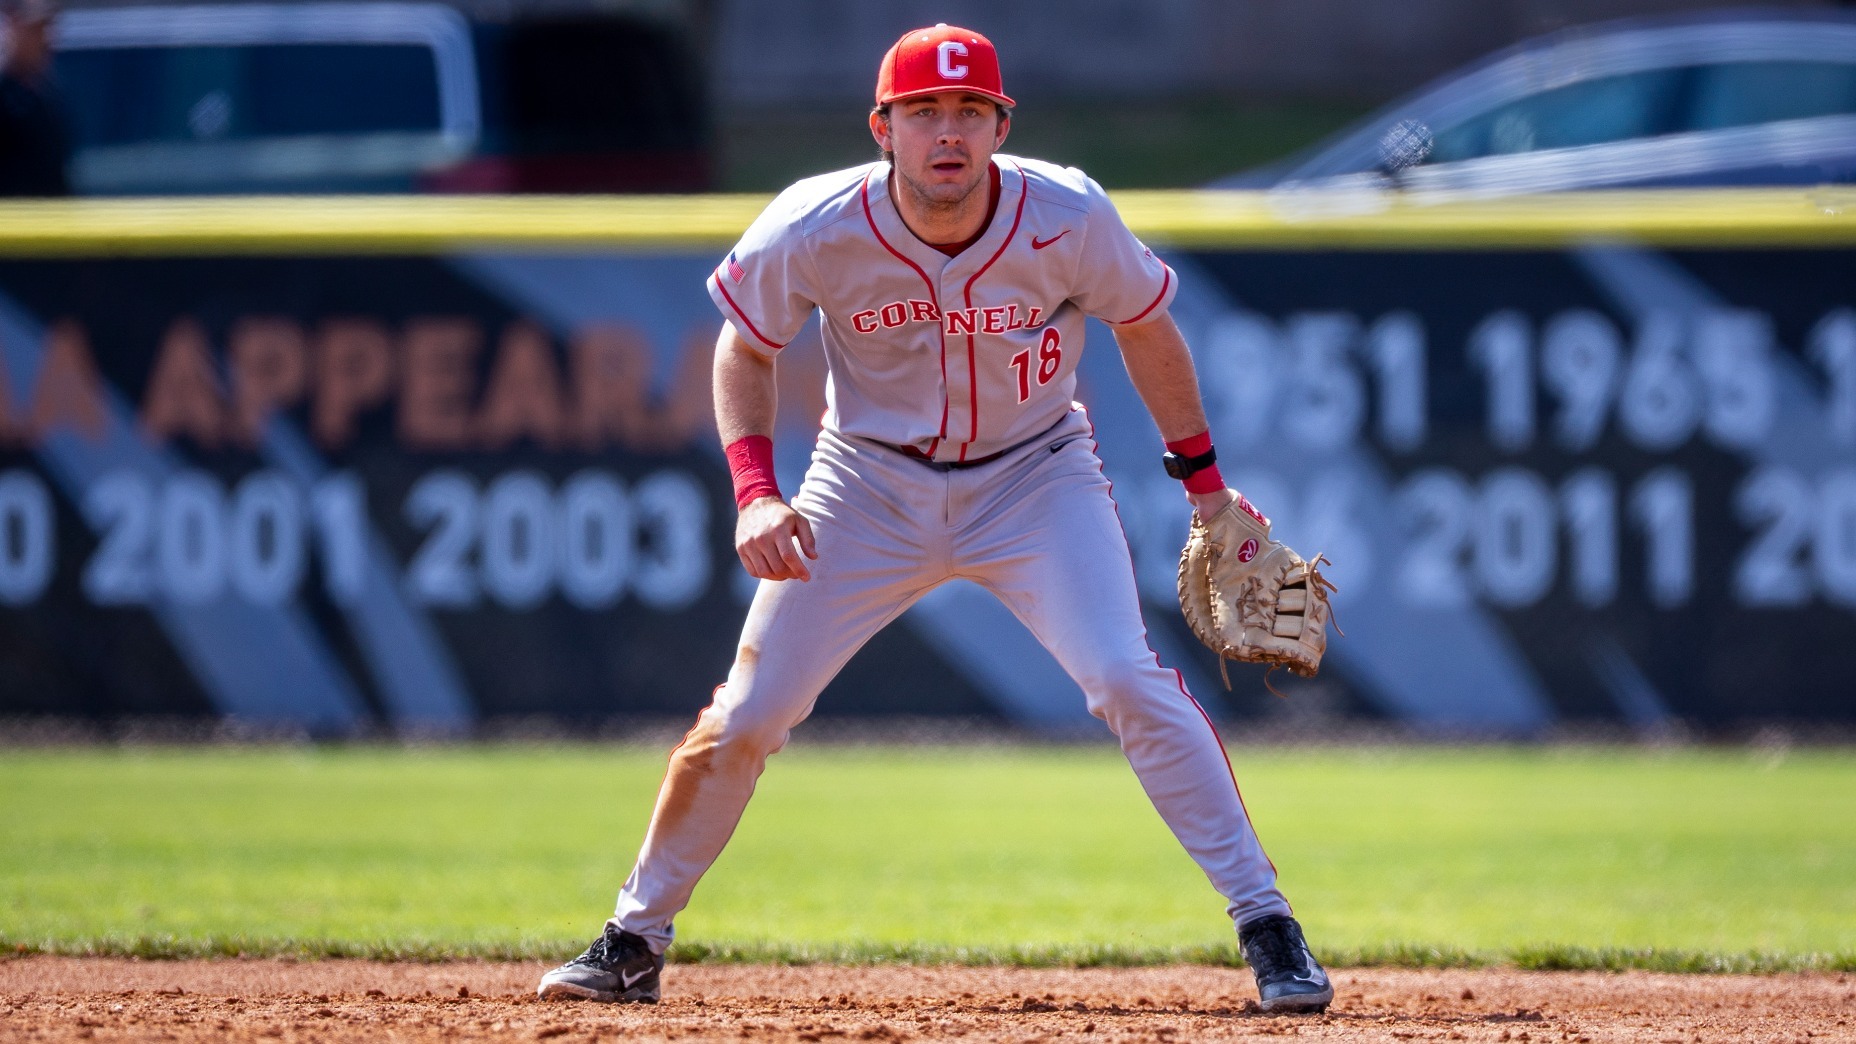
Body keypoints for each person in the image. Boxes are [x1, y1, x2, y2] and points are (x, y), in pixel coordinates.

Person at [538, 23, 1334, 1014]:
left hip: (1035, 480)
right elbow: (744, 349)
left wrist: (1205, 490)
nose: (946, 132)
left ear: (1001, 124)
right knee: (744, 716)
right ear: (882, 127)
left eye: (968, 111)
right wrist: (755, 490)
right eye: (923, 112)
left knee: (1128, 679)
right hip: (863, 485)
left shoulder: (1065, 212)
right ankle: (631, 940)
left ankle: (1267, 927)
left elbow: (1143, 325)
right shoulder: (815, 222)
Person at [0, 0, 70, 197]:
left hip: (51, 221)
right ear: (13, 26)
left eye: (49, 27)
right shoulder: (4, 95)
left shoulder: (47, 94)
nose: (47, 39)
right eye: (36, 30)